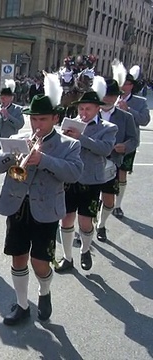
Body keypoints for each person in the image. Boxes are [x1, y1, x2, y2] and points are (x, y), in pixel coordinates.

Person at [0, 90, 83, 325]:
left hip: (46, 209)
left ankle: (44, 291)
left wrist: (44, 160)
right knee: (18, 257)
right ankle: (22, 304)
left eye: (42, 119)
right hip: (17, 206)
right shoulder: (20, 137)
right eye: (34, 119)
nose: (37, 124)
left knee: (40, 263)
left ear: (55, 118)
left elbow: (74, 173)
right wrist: (13, 154)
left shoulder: (69, 144)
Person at [56, 80, 118, 273]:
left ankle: (84, 249)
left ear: (97, 109)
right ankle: (67, 257)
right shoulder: (72, 124)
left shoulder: (108, 127)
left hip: (91, 180)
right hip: (69, 179)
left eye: (88, 109)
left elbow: (106, 149)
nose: (83, 113)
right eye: (81, 108)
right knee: (66, 218)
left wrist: (80, 138)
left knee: (85, 221)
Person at [96, 79, 138, 242]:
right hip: (90, 164)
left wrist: (125, 147)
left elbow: (134, 140)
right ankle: (88, 228)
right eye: (106, 95)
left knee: (108, 201)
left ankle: (101, 224)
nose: (108, 99)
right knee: (87, 202)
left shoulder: (125, 117)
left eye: (112, 95)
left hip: (112, 164)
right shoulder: (91, 112)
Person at [114, 69, 150, 218]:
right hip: (111, 141)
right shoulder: (111, 98)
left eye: (126, 84)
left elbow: (145, 120)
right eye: (120, 83)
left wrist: (128, 109)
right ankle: (106, 199)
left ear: (131, 86)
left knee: (122, 173)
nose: (122, 86)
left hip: (128, 142)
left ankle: (118, 205)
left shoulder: (140, 101)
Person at [0, 79, 24, 199]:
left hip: (9, 142)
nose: (3, 99)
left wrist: (8, 116)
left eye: (6, 97)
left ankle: (10, 189)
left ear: (11, 98)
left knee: (10, 165)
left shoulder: (17, 110)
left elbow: (19, 124)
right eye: (2, 97)